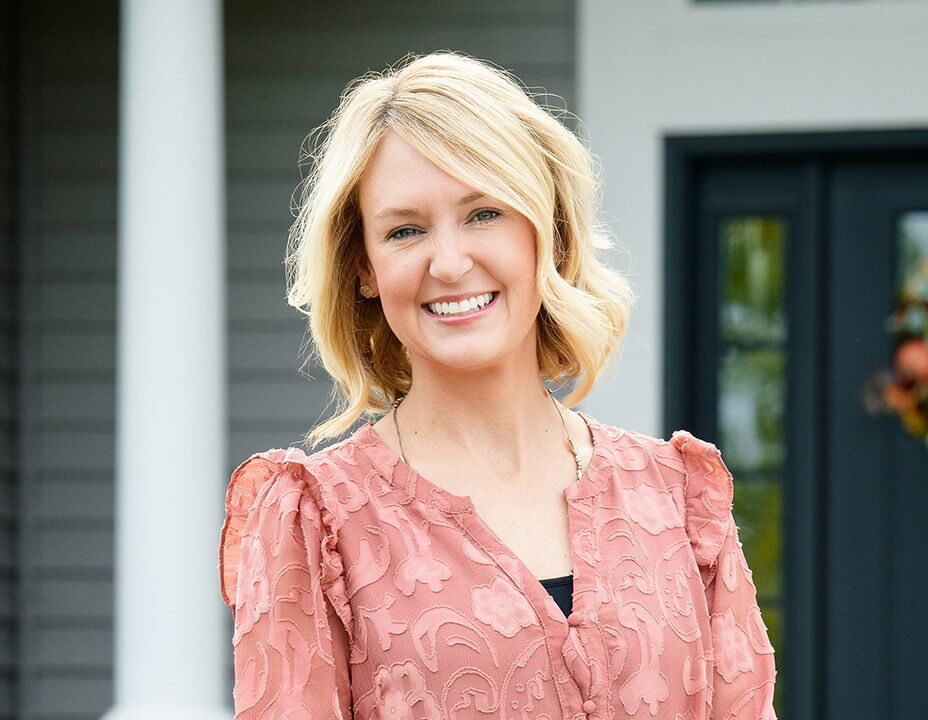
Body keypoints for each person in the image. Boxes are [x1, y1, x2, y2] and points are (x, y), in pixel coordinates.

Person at [218, 50, 776, 719]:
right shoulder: (318, 521)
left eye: (484, 213)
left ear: (550, 233)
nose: (450, 263)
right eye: (405, 230)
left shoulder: (677, 495)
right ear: (364, 267)